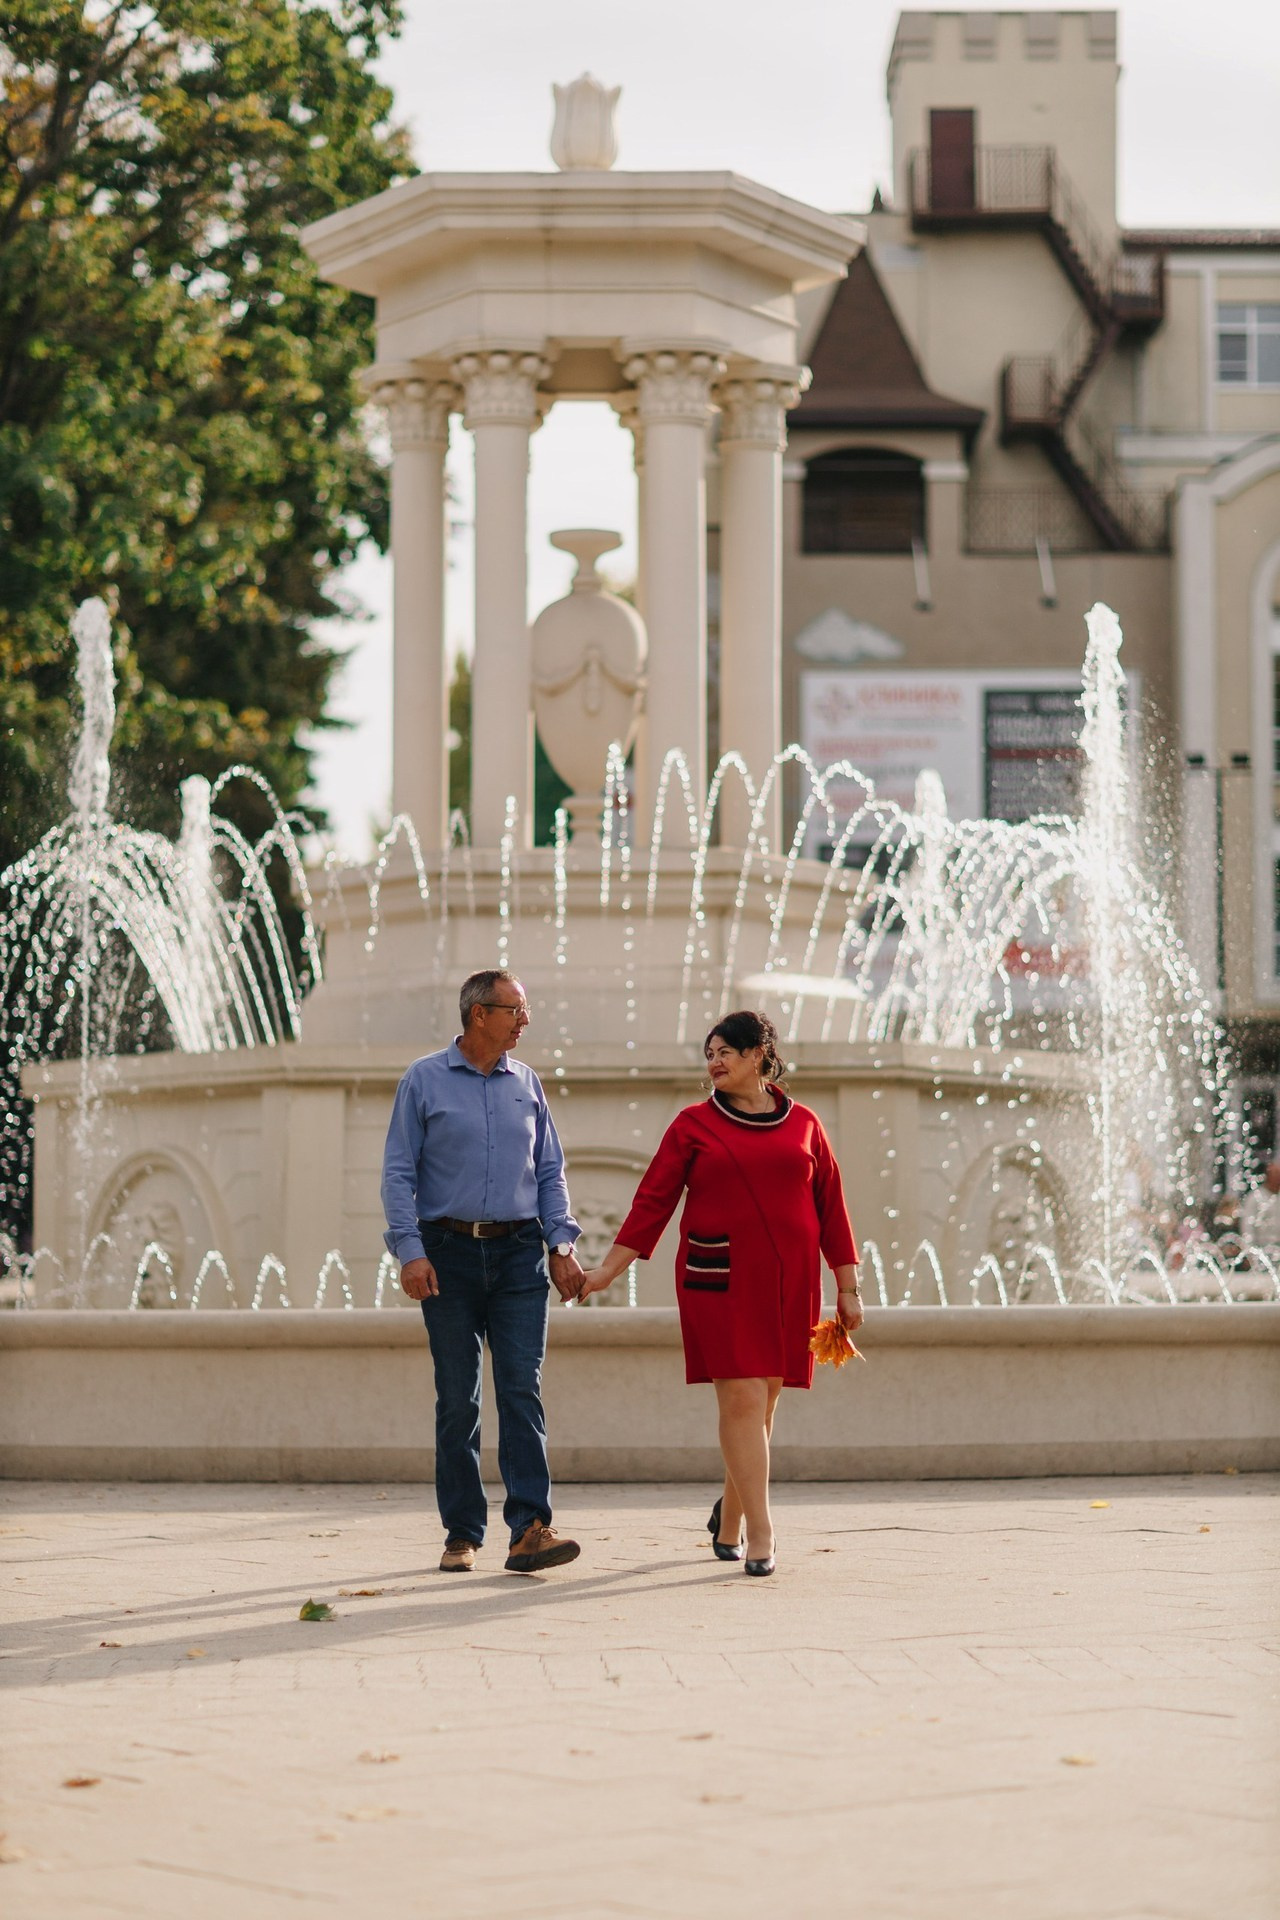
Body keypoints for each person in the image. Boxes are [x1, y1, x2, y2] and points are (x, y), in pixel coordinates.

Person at [578, 1009, 861, 1577]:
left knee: (766, 1402)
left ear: (758, 1054)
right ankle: (762, 1533)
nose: (714, 1064)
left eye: (723, 1053)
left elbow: (832, 1207)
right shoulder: (691, 1125)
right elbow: (652, 1202)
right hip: (719, 1279)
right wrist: (606, 1271)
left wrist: (847, 1286)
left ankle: (729, 1519)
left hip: (790, 1282)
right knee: (742, 1400)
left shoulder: (805, 1123)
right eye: (708, 1055)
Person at [381, 968, 585, 1575]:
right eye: (515, 1010)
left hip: (520, 1253)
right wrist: (410, 1251)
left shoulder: (527, 1083)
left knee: (522, 1389)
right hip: (447, 1257)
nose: (526, 1020)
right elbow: (398, 1173)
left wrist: (561, 1243)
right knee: (457, 1399)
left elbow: (549, 1170)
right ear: (478, 1014)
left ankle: (530, 1529)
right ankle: (462, 1531)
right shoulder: (423, 1080)